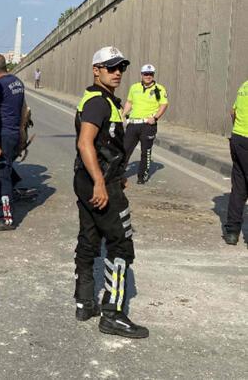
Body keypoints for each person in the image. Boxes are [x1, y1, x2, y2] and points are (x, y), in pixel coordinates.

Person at [73, 46, 148, 338]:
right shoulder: (98, 103)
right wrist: (102, 182)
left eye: (121, 68)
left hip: (93, 178)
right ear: (96, 70)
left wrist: (115, 175)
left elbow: (107, 146)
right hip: (98, 181)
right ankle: (113, 314)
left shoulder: (103, 100)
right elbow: (85, 143)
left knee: (90, 238)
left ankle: (84, 302)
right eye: (110, 67)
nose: (117, 72)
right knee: (119, 243)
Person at [0, 53, 28, 230]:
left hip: (3, 135)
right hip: (13, 134)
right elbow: (24, 109)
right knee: (3, 173)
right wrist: (21, 134)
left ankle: (6, 218)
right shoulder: (17, 82)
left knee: (2, 176)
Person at [122, 64, 169, 184]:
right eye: (146, 74)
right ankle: (118, 173)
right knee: (125, 150)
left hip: (148, 125)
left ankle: (142, 176)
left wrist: (155, 117)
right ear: (141, 75)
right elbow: (129, 102)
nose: (148, 76)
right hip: (133, 124)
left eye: (150, 74)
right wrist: (122, 115)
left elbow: (164, 104)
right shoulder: (134, 87)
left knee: (145, 152)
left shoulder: (159, 89)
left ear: (153, 75)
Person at [223, 79, 248, 246]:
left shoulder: (244, 85)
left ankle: (232, 232)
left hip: (238, 138)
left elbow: (233, 112)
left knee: (239, 187)